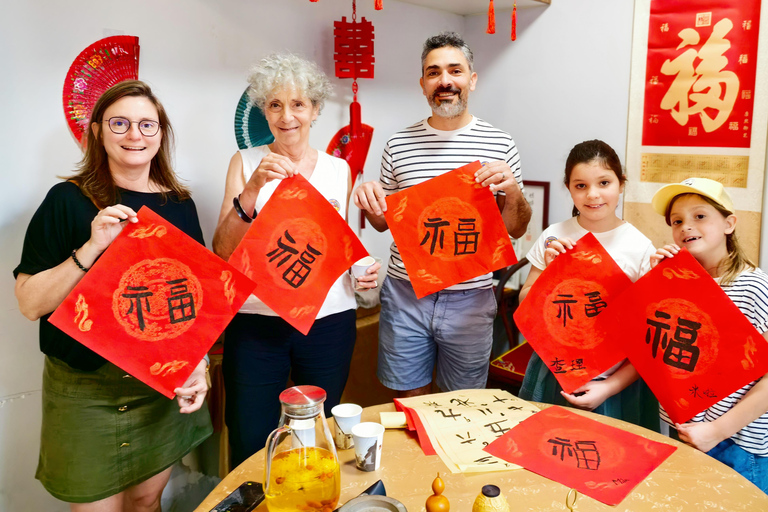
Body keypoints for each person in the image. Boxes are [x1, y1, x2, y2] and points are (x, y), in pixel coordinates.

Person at [13, 80, 212, 511]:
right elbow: (29, 303)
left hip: (157, 388)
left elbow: (193, 303)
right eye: (120, 123)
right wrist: (91, 247)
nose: (135, 135)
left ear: (161, 135)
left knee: (145, 501)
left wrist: (198, 364)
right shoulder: (67, 201)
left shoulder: (179, 204)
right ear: (98, 131)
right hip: (87, 392)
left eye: (147, 124)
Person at [212, 54, 380, 468]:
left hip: (328, 321)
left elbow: (336, 246)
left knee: (319, 434)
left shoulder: (339, 169)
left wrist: (362, 274)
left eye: (298, 104)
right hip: (256, 321)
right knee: (251, 435)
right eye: (275, 105)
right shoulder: (245, 161)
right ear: (264, 111)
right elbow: (222, 249)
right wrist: (252, 188)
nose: (287, 116)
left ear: (316, 110)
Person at [353, 32, 531, 398]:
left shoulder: (499, 143)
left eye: (455, 71)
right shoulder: (397, 144)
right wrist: (370, 202)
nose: (445, 81)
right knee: (407, 401)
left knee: (462, 405)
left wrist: (512, 191)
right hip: (406, 293)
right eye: (434, 72)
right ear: (422, 84)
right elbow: (384, 222)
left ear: (472, 79)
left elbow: (515, 227)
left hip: (472, 296)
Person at [517, 140, 659, 431]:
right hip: (556, 366)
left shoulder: (639, 246)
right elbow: (525, 302)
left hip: (613, 375)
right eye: (580, 185)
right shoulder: (555, 235)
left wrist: (610, 385)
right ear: (569, 188)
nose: (593, 194)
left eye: (604, 182)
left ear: (620, 185)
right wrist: (549, 278)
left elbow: (646, 332)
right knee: (547, 446)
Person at [650, 177, 768, 492]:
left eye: (700, 216)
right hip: (686, 430)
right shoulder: (679, 282)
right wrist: (656, 285)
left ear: (729, 223)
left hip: (738, 444)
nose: (686, 226)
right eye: (677, 221)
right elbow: (657, 349)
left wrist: (717, 430)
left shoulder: (754, 286)